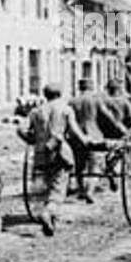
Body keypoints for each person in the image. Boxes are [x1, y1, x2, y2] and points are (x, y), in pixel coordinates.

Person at [19, 83, 89, 236]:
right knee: (58, 188)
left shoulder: (35, 111)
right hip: (60, 153)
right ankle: (48, 212)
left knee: (46, 184)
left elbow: (20, 128)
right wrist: (85, 142)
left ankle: (51, 218)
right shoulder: (65, 109)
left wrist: (31, 139)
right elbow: (75, 130)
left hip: (40, 154)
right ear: (60, 94)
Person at [69, 78, 124, 202]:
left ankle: (81, 189)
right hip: (93, 135)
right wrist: (120, 129)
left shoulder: (72, 101)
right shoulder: (95, 100)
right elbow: (107, 116)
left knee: (79, 165)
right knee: (95, 165)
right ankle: (90, 191)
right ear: (91, 87)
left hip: (76, 136)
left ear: (79, 87)